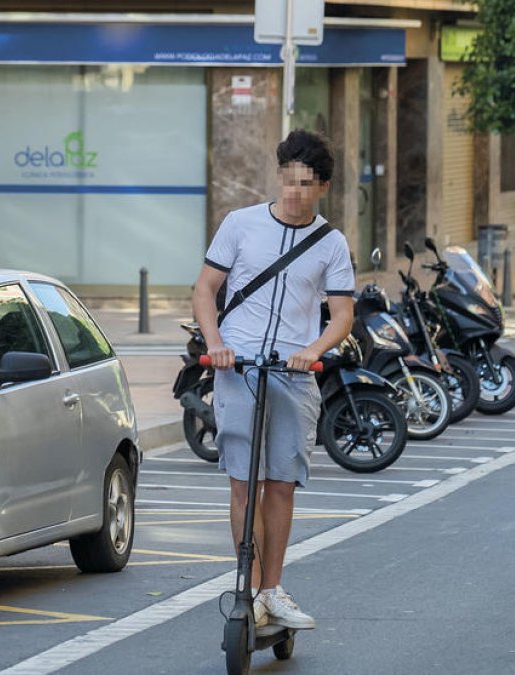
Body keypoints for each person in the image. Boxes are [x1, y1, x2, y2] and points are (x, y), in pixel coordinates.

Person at [191, 130, 355, 630]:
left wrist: (313, 351)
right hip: (238, 369)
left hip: (293, 372)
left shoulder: (331, 243)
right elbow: (205, 290)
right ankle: (249, 584)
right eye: (287, 181)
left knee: (280, 485)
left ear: (322, 187)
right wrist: (215, 342)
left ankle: (271, 589)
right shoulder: (240, 225)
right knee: (244, 482)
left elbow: (342, 315)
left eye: (305, 184)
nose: (293, 192)